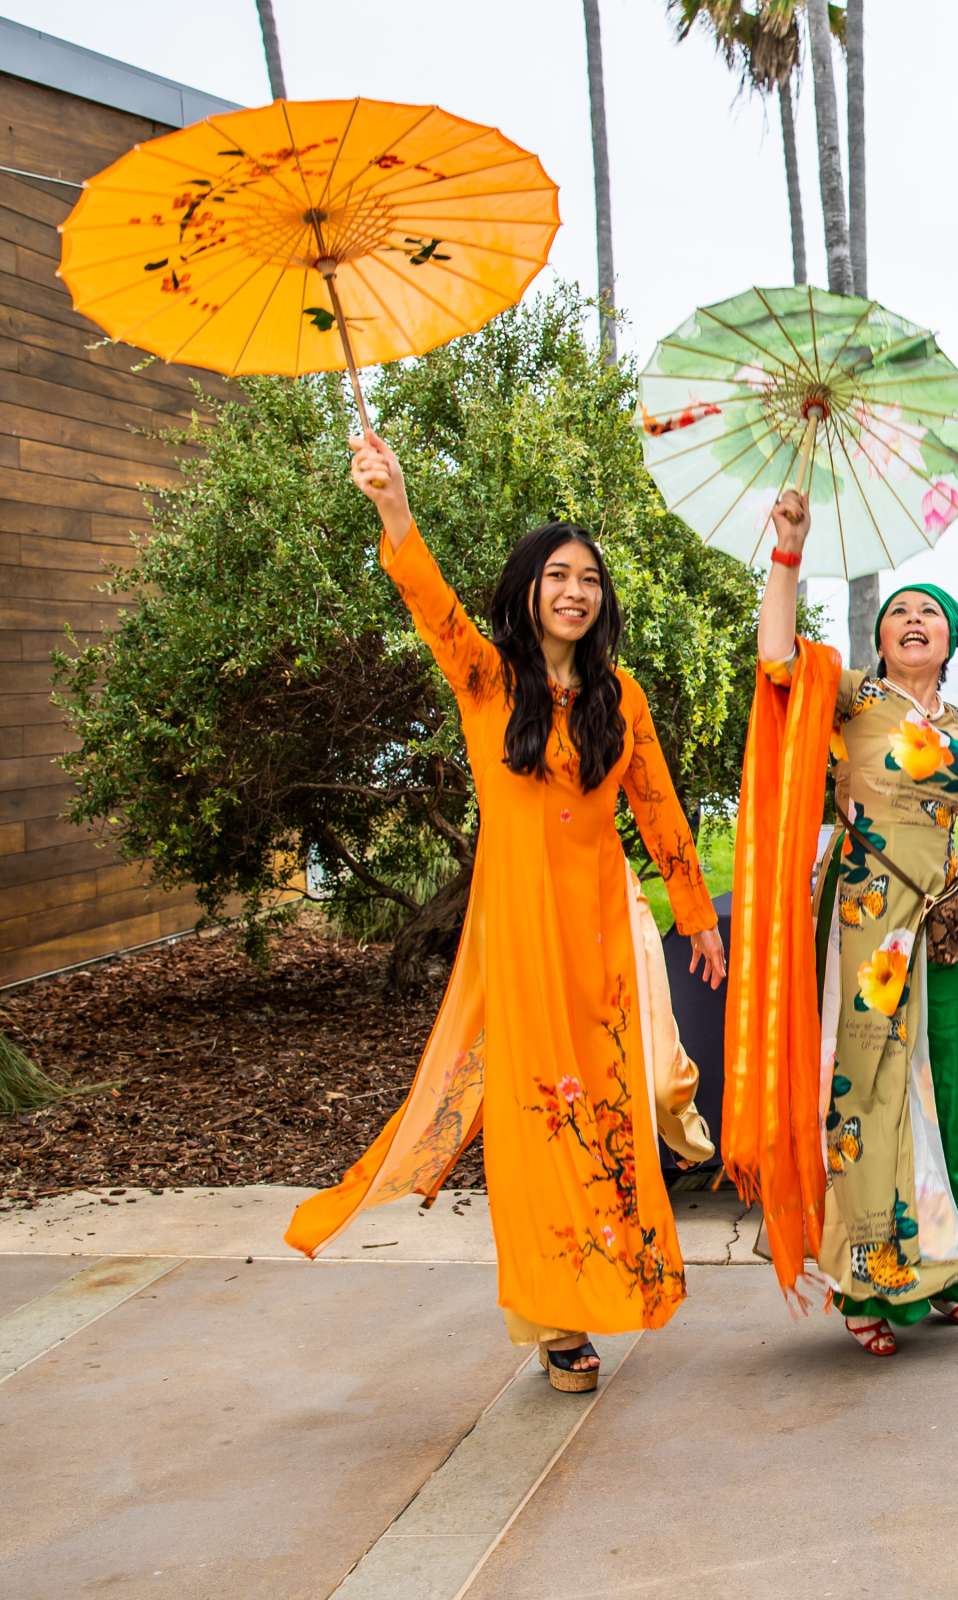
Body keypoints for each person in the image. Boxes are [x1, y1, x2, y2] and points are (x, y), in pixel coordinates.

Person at [289, 432, 726, 1394]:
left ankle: (612, 1276)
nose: (576, 591)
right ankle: (556, 1319)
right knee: (539, 1123)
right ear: (528, 589)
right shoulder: (490, 682)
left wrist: (696, 916)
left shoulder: (623, 696)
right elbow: (431, 607)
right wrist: (394, 510)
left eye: (590, 579)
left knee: (619, 1105)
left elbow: (657, 806)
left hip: (605, 929)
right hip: (521, 931)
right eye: (558, 575)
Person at [732, 489, 958, 1358]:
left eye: (931, 613)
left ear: (952, 640)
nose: (914, 620)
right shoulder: (851, 699)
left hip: (943, 928)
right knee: (865, 1092)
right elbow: (776, 657)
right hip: (867, 918)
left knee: (939, 1095)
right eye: (900, 613)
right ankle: (867, 1281)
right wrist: (789, 550)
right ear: (881, 641)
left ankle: (940, 1265)